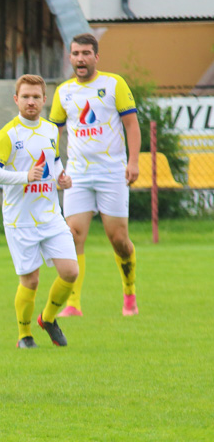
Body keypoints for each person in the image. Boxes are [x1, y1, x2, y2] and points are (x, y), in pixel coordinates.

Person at [49, 33, 141, 318]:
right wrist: (55, 168)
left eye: (86, 53)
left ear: (96, 57)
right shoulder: (63, 91)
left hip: (112, 172)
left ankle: (129, 294)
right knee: (73, 235)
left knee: (119, 239)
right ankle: (73, 304)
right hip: (77, 174)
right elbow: (53, 133)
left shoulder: (114, 84)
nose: (80, 58)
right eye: (76, 53)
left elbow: (132, 125)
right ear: (70, 57)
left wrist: (134, 162)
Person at [0, 75, 79, 348]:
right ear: (16, 99)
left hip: (51, 215)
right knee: (31, 279)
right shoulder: (9, 133)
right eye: (25, 96)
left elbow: (55, 162)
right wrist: (24, 176)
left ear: (44, 100)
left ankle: (48, 319)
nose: (30, 102)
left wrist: (63, 178)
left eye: (36, 97)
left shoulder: (51, 130)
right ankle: (24, 335)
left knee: (71, 272)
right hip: (20, 219)